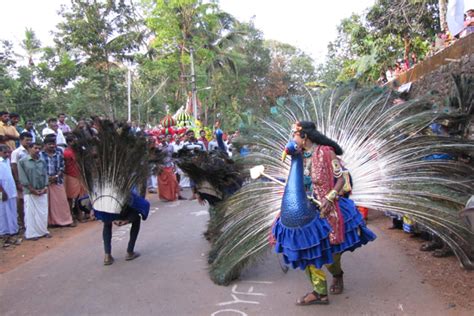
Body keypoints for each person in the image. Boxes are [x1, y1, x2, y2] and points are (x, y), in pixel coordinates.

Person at [281, 121, 376, 305]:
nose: (293, 138)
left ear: (304, 136)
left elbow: (341, 178)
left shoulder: (325, 152)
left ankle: (337, 274)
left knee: (330, 253)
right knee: (306, 250)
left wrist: (329, 198)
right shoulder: (298, 155)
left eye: (295, 135)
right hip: (304, 209)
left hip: (326, 207)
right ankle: (320, 292)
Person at [18, 142, 50, 240]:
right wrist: (32, 189)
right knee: (31, 213)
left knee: (43, 212)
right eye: (35, 148)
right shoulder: (23, 161)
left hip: (42, 190)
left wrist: (45, 186)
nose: (37, 150)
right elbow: (23, 178)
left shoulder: (42, 161)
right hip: (30, 192)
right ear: (29, 149)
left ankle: (43, 231)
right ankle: (32, 234)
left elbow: (45, 174)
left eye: (39, 148)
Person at [40, 135, 74, 227]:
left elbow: (62, 166)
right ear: (45, 145)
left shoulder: (59, 154)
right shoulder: (40, 155)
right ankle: (50, 222)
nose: (52, 146)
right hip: (45, 182)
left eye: (53, 144)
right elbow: (39, 169)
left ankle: (65, 221)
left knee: (61, 202)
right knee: (48, 203)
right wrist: (47, 178)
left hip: (57, 181)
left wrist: (56, 176)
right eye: (49, 144)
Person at [11, 132, 33, 231]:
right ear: (21, 140)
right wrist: (18, 181)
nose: (29, 142)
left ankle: (32, 222)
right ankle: (23, 223)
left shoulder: (32, 150)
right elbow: (14, 166)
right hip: (21, 180)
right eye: (26, 140)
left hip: (32, 179)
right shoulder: (17, 152)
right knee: (21, 201)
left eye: (30, 140)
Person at [63, 134, 86, 222]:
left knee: (78, 197)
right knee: (72, 197)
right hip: (71, 175)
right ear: (70, 142)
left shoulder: (75, 151)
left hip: (77, 174)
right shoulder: (67, 153)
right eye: (74, 141)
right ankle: (73, 215)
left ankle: (78, 214)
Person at [0, 145, 19, 246]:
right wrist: (2, 192)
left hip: (11, 189)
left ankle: (13, 231)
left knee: (12, 210)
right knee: (3, 212)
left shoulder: (7, 161)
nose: (7, 154)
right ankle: (4, 232)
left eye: (8, 153)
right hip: (3, 191)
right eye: (5, 153)